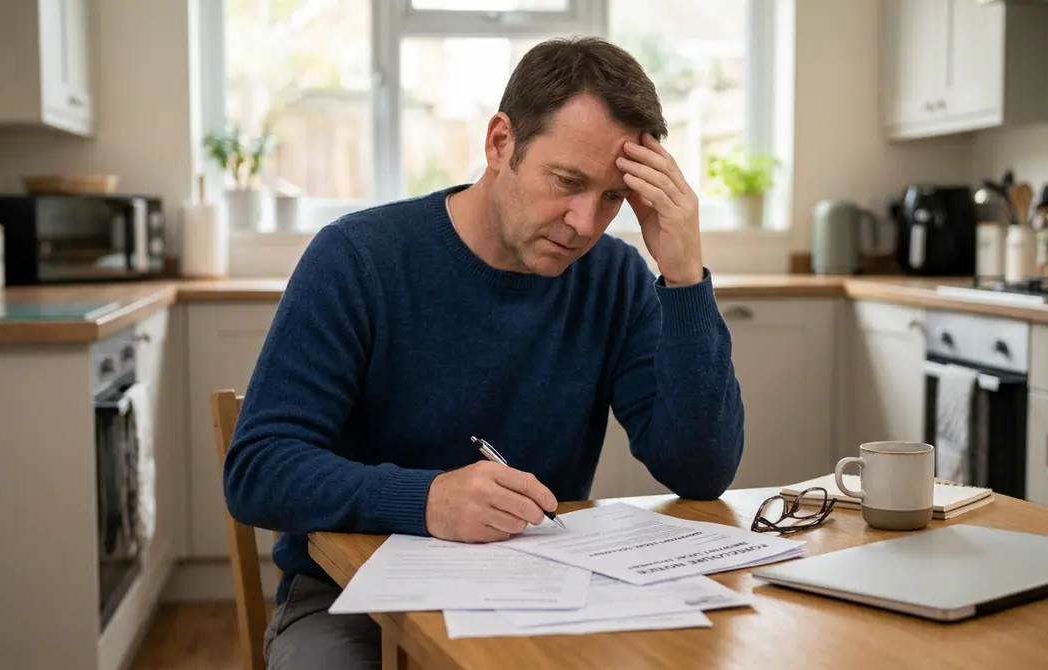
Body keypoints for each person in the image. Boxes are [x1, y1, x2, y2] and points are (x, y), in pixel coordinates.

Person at [223, 35, 745, 670]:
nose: (584, 222)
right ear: (501, 143)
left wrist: (685, 277)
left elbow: (699, 470)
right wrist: (426, 501)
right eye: (567, 181)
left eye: (613, 198)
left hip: (541, 591)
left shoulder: (616, 277)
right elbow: (258, 469)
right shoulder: (358, 258)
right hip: (349, 598)